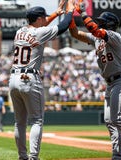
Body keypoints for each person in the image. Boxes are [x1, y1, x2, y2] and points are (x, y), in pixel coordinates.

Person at [68, 1, 121, 160]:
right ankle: (118, 155)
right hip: (111, 83)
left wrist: (83, 13)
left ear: (109, 24)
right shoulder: (97, 39)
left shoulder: (114, 36)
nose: (99, 23)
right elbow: (75, 34)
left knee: (117, 119)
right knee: (109, 120)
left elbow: (94, 29)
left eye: (101, 22)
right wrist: (69, 18)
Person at [8, 0, 75, 159]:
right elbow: (63, 26)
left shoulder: (19, 32)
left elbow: (42, 26)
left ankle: (22, 156)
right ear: (38, 19)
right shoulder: (39, 32)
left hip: (13, 79)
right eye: (43, 17)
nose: (46, 19)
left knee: (20, 123)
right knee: (36, 121)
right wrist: (70, 11)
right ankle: (33, 157)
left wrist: (54, 14)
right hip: (29, 78)